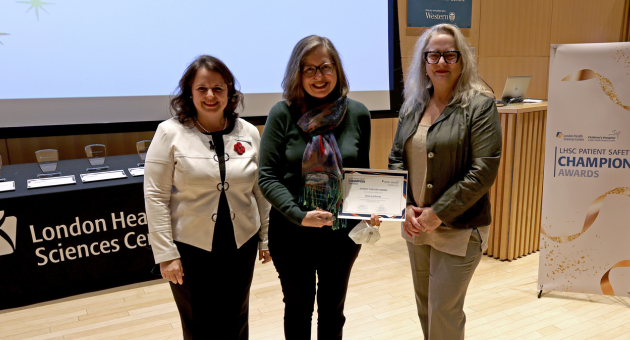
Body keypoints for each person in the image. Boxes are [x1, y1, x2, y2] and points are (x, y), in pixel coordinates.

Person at [386, 23, 502, 340]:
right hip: (417, 224)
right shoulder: (412, 105)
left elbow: (484, 170)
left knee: (444, 310)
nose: (441, 62)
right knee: (426, 307)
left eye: (449, 55)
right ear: (423, 61)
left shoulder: (480, 105)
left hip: (459, 228)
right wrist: (405, 206)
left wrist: (438, 213)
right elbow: (396, 157)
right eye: (433, 55)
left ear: (462, 60)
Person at [144, 55, 271, 340]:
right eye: (202, 88)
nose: (211, 95)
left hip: (241, 243)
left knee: (236, 316)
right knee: (198, 322)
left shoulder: (249, 132)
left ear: (230, 92)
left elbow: (260, 190)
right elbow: (155, 196)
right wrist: (166, 254)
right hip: (190, 247)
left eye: (218, 88)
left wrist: (265, 238)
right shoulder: (169, 133)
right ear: (190, 93)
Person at [258, 35, 371, 340]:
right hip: (292, 232)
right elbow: (267, 176)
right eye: (308, 69)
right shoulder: (282, 114)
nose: (318, 77)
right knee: (297, 308)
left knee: (333, 310)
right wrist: (299, 214)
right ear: (297, 73)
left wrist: (373, 207)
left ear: (338, 70)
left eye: (325, 67)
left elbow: (361, 175)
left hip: (341, 234)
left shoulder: (358, 113)